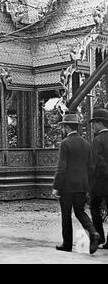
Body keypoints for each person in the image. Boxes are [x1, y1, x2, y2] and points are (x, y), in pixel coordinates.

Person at [52, 113, 99, 254]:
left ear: (66, 127)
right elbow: (91, 168)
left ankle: (67, 244)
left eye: (63, 127)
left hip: (67, 186)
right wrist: (88, 186)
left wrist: (56, 187)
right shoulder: (86, 144)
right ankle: (93, 233)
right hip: (82, 185)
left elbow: (61, 168)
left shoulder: (65, 143)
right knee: (80, 211)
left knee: (66, 214)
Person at [88, 108, 108, 249]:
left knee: (94, 208)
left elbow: (97, 163)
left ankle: (100, 238)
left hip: (100, 183)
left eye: (94, 123)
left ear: (100, 123)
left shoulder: (98, 140)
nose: (92, 126)